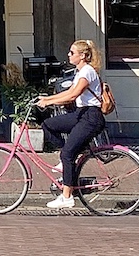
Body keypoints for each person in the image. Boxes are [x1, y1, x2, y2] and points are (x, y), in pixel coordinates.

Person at [36, 39, 106, 209]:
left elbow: (73, 95)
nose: (68, 55)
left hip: (91, 117)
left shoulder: (87, 72)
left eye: (72, 53)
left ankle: (67, 196)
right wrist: (46, 98)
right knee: (48, 125)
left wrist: (49, 103)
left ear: (82, 56)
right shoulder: (80, 71)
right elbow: (69, 92)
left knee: (67, 155)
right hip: (81, 114)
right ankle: (68, 155)